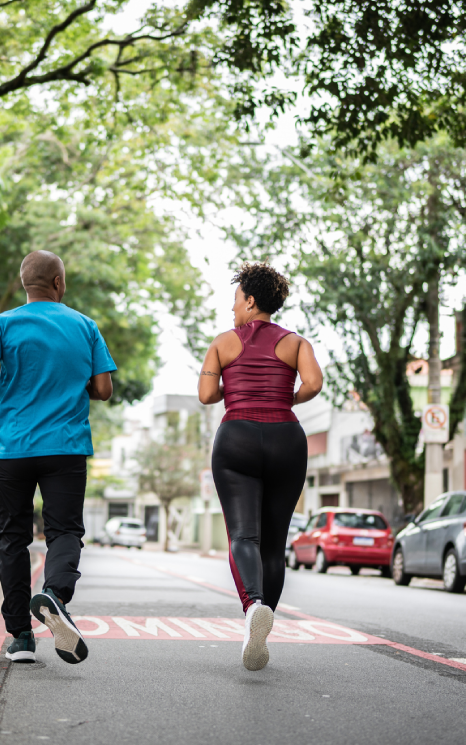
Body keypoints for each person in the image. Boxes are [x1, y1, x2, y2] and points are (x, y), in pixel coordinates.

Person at [0, 250, 116, 665]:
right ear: (59, 283)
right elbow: (103, 389)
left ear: (26, 284)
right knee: (64, 531)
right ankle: (55, 595)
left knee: (13, 538)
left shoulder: (3, 324)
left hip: (13, 449)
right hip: (65, 447)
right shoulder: (85, 326)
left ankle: (21, 639)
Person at [197, 262, 323, 671]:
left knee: (243, 536)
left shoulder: (223, 343)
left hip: (237, 439)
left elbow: (206, 395)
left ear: (250, 301)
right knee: (274, 542)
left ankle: (253, 608)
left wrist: (231, 384)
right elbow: (314, 384)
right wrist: (286, 399)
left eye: (236, 301)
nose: (233, 310)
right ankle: (264, 614)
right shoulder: (296, 343)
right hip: (288, 439)